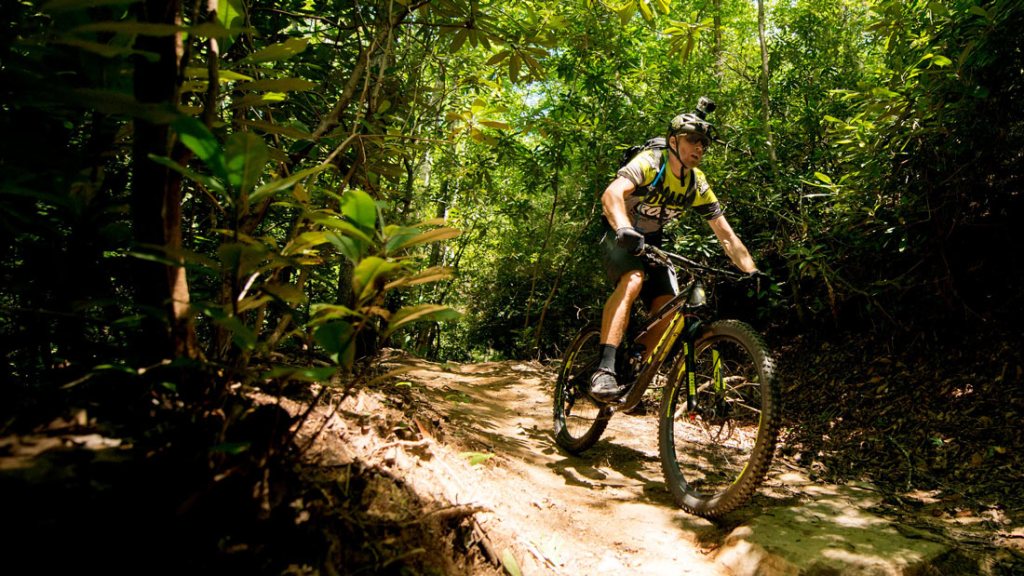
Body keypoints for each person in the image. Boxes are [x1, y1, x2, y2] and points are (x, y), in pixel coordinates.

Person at [591, 97, 761, 401]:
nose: (699, 148)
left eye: (704, 144)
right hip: (617, 232)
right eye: (692, 140)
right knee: (632, 279)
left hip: (651, 242)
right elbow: (611, 195)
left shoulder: (696, 184)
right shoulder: (650, 162)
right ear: (673, 141)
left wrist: (753, 272)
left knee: (670, 309)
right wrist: (623, 229)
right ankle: (603, 371)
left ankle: (632, 365)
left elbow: (726, 236)